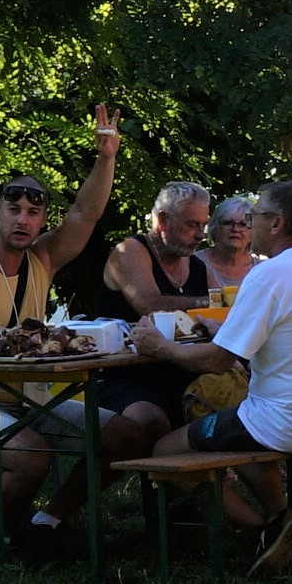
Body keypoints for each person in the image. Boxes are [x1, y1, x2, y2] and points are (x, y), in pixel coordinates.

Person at [0, 106, 154, 563]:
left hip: (29, 399)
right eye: (14, 210)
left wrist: (107, 156)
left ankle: (47, 521)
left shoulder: (42, 259)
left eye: (33, 213)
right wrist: (22, 347)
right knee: (31, 455)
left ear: (42, 219)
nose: (23, 220)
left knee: (129, 438)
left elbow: (85, 214)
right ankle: (11, 539)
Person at [131, 180, 292, 575]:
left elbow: (217, 362)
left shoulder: (267, 274)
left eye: (253, 216)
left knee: (165, 450)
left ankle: (268, 531)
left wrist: (161, 347)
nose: (247, 224)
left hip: (289, 422)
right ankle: (291, 521)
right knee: (239, 425)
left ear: (276, 224)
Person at [93, 181, 213, 433]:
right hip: (125, 377)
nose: (201, 235)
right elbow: (150, 304)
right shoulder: (130, 251)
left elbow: (218, 316)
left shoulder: (197, 266)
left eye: (204, 225)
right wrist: (207, 303)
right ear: (163, 220)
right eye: (192, 225)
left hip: (183, 373)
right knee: (150, 420)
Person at [201, 196, 260, 292]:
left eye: (243, 224)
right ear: (215, 228)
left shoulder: (262, 269)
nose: (235, 229)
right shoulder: (194, 263)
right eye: (228, 223)